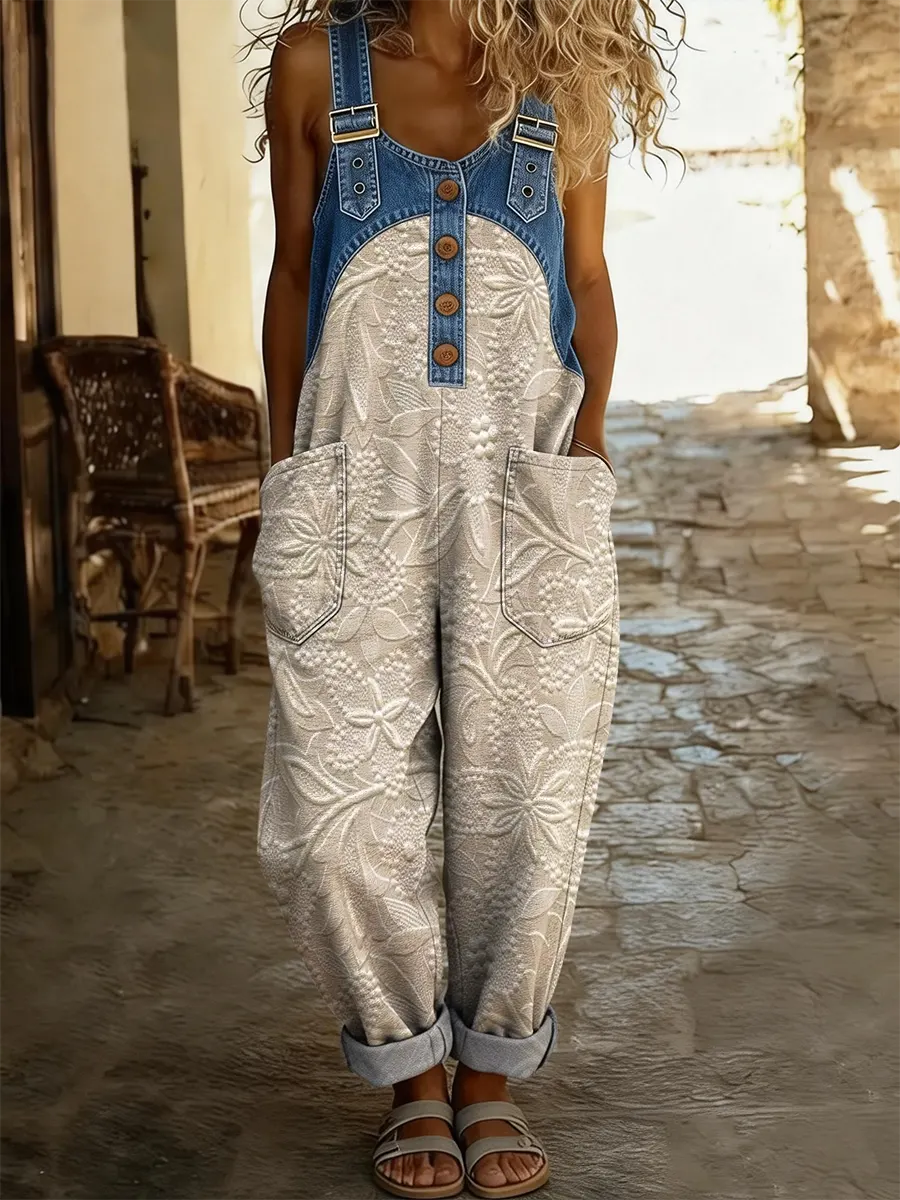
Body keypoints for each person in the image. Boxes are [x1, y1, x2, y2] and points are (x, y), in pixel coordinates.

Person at [252, 1, 672, 1195]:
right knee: (338, 813)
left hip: (524, 486)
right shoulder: (314, 68)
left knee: (528, 795)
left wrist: (586, 447)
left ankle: (485, 1079)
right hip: (353, 481)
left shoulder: (565, 76)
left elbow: (585, 276)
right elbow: (295, 273)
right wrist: (286, 470)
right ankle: (408, 1075)